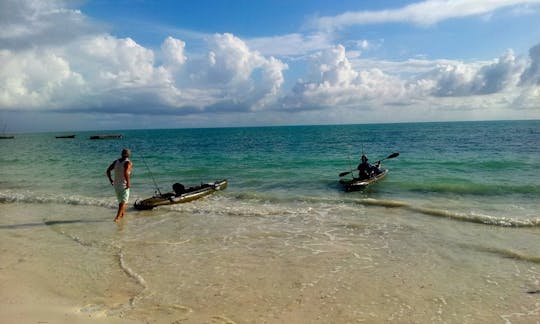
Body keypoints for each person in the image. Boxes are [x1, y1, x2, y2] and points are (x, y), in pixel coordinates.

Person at [106, 148, 133, 222]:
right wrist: (128, 183)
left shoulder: (116, 162)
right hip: (123, 185)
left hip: (116, 185)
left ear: (121, 154)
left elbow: (107, 171)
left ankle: (122, 215)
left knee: (121, 202)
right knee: (124, 202)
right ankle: (117, 217)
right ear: (129, 155)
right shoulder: (128, 163)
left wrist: (111, 180)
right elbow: (126, 173)